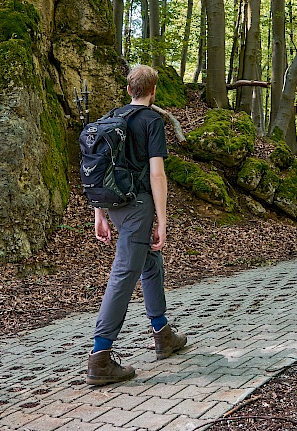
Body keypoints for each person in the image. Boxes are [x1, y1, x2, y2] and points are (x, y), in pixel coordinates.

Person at [86, 64, 188, 386]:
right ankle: (100, 356)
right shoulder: (152, 121)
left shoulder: (112, 118)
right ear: (153, 91)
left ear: (129, 90)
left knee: (150, 262)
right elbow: (157, 173)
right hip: (138, 208)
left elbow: (101, 167)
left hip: (115, 206)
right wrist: (163, 219)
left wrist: (100, 212)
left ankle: (163, 334)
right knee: (124, 273)